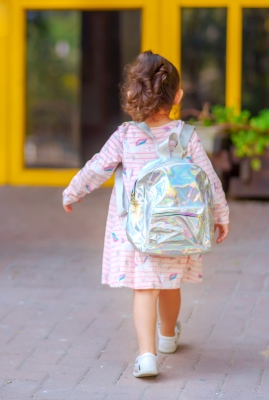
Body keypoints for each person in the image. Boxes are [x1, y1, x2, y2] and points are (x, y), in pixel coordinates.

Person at [61, 51, 230, 378]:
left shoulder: (125, 136)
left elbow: (97, 169)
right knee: (169, 285)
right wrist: (220, 217)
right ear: (178, 96)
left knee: (145, 290)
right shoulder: (186, 136)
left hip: (137, 234)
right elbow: (209, 181)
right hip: (178, 230)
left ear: (132, 95)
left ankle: (147, 356)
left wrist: (73, 191)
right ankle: (167, 338)